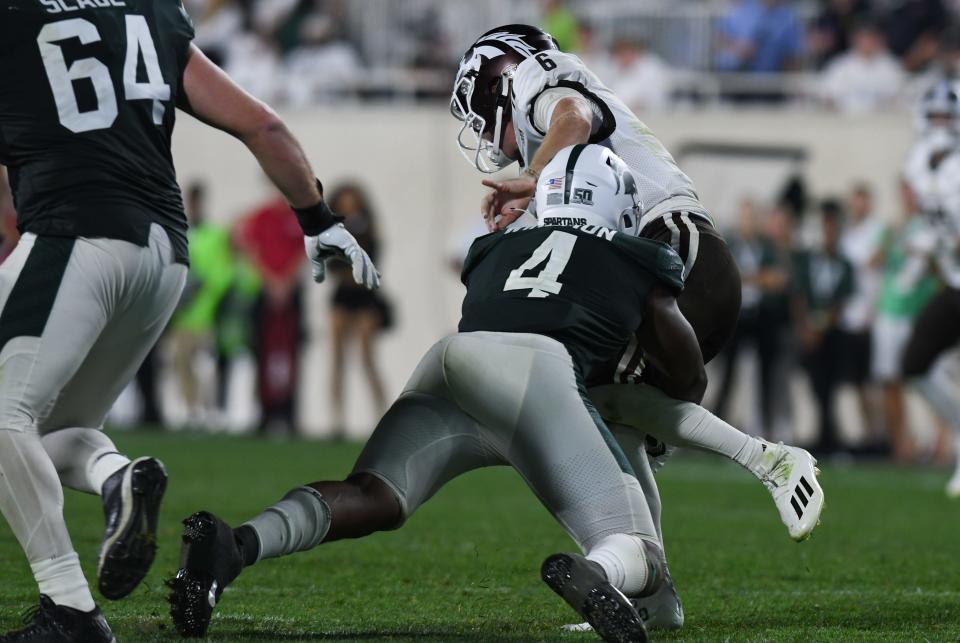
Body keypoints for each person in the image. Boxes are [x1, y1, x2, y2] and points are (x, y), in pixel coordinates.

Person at [170, 145, 707, 642]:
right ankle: (598, 572)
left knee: (374, 495)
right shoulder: (639, 257)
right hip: (535, 378)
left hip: (454, 358)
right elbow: (688, 375)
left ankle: (236, 546)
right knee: (640, 547)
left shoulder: (494, 246)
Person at [0, 2, 377, 640]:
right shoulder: (149, 14)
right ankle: (118, 478)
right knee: (48, 431)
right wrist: (317, 217)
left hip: (72, 236)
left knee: (4, 417)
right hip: (163, 254)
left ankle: (69, 610)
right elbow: (264, 125)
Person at [450, 25, 819, 552]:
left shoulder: (540, 79)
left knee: (594, 395)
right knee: (611, 413)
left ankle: (770, 460)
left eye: (482, 115)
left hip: (673, 249)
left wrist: (534, 175)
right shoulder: (554, 140)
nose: (485, 135)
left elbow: (572, 117)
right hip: (664, 260)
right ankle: (653, 593)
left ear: (499, 81)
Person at [900, 79, 960, 496]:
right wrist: (922, 255)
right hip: (956, 282)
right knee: (915, 362)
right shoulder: (921, 162)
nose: (940, 123)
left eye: (947, 116)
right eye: (935, 115)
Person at [872, 179, 941, 463]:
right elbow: (874, 261)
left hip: (918, 313)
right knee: (890, 380)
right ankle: (902, 444)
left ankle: (942, 443)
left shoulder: (933, 230)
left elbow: (940, 270)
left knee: (929, 379)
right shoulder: (895, 229)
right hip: (889, 312)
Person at [328, 184, 391, 437]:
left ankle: (381, 416)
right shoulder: (334, 230)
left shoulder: (369, 228)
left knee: (367, 358)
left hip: (365, 298)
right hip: (342, 298)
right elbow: (331, 264)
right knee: (337, 359)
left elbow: (372, 260)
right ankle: (337, 419)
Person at [714, 199, 781, 437]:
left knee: (765, 376)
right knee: (727, 374)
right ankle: (717, 427)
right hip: (736, 315)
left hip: (761, 316)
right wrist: (758, 278)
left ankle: (765, 428)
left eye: (752, 218)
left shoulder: (767, 247)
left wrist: (747, 277)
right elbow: (723, 275)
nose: (748, 223)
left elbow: (777, 279)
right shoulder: (728, 243)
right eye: (744, 217)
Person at [793, 201, 854, 456]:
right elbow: (799, 296)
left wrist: (823, 325)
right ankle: (825, 436)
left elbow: (842, 301)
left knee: (830, 388)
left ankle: (828, 438)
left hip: (832, 335)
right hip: (810, 333)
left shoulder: (844, 264)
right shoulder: (807, 261)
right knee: (816, 386)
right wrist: (806, 327)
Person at [837, 183, 884, 450]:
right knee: (857, 381)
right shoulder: (848, 234)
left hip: (868, 315)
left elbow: (875, 273)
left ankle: (879, 434)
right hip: (850, 316)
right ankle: (869, 433)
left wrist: (871, 310)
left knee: (872, 381)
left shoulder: (877, 232)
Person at [821, 21, 906, 113]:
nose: (866, 43)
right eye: (862, 38)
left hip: (881, 122)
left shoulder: (891, 66)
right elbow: (828, 96)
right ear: (854, 40)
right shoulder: (840, 65)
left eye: (870, 38)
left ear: (878, 40)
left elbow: (898, 98)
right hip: (845, 121)